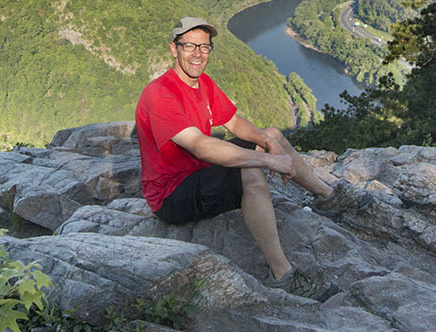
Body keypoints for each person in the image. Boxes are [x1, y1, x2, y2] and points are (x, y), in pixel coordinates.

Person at [135, 17, 372, 302]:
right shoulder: (161, 94)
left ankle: (328, 196)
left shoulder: (204, 84)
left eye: (204, 47)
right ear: (174, 49)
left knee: (269, 133)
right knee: (249, 168)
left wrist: (267, 141)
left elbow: (233, 122)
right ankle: (282, 275)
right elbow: (199, 146)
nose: (197, 53)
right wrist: (267, 161)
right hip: (172, 196)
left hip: (202, 174)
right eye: (189, 46)